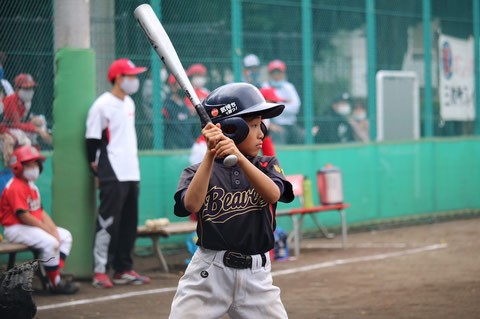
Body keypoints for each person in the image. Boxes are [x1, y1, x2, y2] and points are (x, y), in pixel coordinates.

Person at [169, 82, 295, 318]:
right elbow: (191, 205)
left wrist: (239, 157)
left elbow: (273, 194)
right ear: (232, 129)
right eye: (254, 125)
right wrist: (210, 154)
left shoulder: (266, 165)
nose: (261, 134)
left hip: (257, 277)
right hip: (209, 274)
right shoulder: (196, 171)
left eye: (261, 125)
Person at [85, 59, 151, 288]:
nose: (135, 81)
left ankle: (123, 269)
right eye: (131, 76)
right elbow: (91, 140)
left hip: (131, 171)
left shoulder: (130, 103)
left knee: (129, 223)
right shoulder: (101, 105)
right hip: (111, 171)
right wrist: (94, 167)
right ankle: (100, 270)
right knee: (107, 222)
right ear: (119, 78)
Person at [0, 145, 79, 294]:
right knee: (51, 242)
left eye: (36, 164)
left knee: (65, 236)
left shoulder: (32, 186)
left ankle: (52, 273)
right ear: (18, 166)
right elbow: (24, 216)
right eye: (30, 164)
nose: (35, 167)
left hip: (30, 227)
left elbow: (41, 212)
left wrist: (53, 230)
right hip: (15, 228)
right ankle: (55, 284)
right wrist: (48, 232)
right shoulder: (15, 186)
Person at [263, 59, 302, 144]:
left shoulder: (289, 86)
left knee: (302, 135)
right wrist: (287, 104)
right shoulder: (265, 87)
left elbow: (296, 107)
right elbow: (266, 108)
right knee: (279, 135)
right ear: (269, 75)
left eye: (279, 73)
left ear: (284, 74)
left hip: (292, 124)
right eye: (274, 73)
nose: (276, 76)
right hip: (275, 124)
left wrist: (276, 105)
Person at [163, 74, 195, 149]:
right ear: (173, 87)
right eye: (181, 84)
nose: (184, 87)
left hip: (187, 149)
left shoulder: (185, 107)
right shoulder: (167, 107)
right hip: (172, 150)